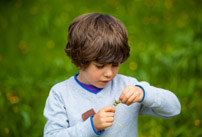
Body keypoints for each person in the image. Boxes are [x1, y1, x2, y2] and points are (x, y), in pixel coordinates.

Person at [43, 13, 181, 137]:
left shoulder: (128, 87)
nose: (109, 73)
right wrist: (91, 126)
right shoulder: (61, 94)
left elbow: (173, 109)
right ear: (80, 61)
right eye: (100, 66)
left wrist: (144, 93)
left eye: (115, 64)